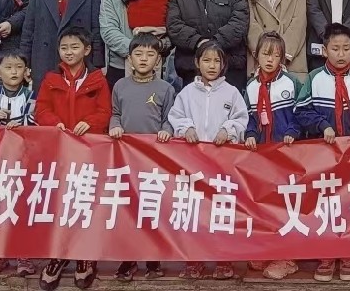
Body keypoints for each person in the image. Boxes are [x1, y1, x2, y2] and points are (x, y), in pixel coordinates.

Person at [294, 23, 350, 282]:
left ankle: (349, 255)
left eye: (346, 48)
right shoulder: (314, 79)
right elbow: (301, 111)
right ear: (325, 50)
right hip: (324, 155)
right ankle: (327, 255)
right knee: (325, 204)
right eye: (335, 48)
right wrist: (322, 126)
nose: (341, 54)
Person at [34, 27, 112, 291]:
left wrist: (89, 123)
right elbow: (41, 109)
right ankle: (58, 256)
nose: (69, 52)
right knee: (59, 203)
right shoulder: (51, 78)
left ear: (87, 50)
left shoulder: (98, 80)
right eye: (64, 47)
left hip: (89, 153)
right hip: (58, 152)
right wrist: (53, 123)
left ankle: (84, 257)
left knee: (85, 203)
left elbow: (105, 111)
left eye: (75, 47)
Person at [167, 41, 249, 281]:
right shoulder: (187, 93)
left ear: (223, 64)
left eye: (216, 61)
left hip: (222, 166)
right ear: (197, 63)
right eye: (206, 60)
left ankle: (223, 260)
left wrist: (228, 129)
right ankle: (194, 260)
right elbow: (176, 116)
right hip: (193, 166)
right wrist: (186, 128)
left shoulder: (232, 92)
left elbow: (241, 118)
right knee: (195, 212)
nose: (211, 65)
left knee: (220, 211)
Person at [108, 33, 175, 282]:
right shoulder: (120, 86)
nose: (144, 59)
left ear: (158, 60)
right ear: (129, 58)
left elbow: (170, 118)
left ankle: (153, 259)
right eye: (138, 54)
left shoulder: (166, 89)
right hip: (126, 160)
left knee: (152, 208)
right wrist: (115, 126)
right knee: (128, 209)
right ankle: (128, 258)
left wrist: (166, 131)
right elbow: (115, 113)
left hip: (154, 161)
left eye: (150, 54)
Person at [243, 33, 301, 280]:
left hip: (287, 155)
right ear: (256, 55)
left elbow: (301, 113)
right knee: (263, 202)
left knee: (285, 205)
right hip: (261, 156)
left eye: (276, 55)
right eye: (266, 54)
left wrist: (292, 131)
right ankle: (267, 250)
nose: (270, 60)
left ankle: (287, 257)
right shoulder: (250, 87)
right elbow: (249, 118)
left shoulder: (291, 83)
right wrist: (250, 134)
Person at [0, 50, 37, 278]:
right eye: (8, 67)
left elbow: (39, 123)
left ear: (26, 71)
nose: (14, 72)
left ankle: (24, 255)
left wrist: (21, 124)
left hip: (25, 161)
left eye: (19, 67)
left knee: (22, 207)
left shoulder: (32, 96)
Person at [100, 0, 146, 88]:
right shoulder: (110, 1)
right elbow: (109, 32)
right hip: (119, 67)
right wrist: (138, 52)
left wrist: (148, 54)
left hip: (151, 66)